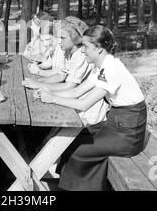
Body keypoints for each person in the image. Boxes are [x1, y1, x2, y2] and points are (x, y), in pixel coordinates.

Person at [38, 25, 147, 190]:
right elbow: (76, 92)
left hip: (128, 133)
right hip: (117, 124)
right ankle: (73, 186)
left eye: (86, 47)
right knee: (73, 141)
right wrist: (47, 92)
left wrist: (52, 98)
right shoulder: (101, 66)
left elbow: (84, 103)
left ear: (100, 49)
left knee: (79, 151)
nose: (82, 51)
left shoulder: (111, 68)